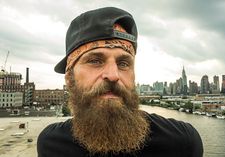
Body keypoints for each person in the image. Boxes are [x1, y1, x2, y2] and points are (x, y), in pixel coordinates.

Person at [37, 7, 203, 157]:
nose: (113, 75)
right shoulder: (51, 145)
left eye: (123, 63)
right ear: (69, 78)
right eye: (95, 60)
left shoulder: (182, 143)